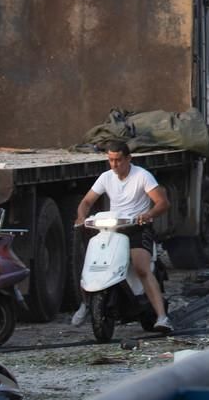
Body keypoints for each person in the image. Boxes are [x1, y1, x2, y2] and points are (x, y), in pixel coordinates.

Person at [73, 141, 172, 332]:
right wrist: (81, 216)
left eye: (118, 160)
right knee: (92, 261)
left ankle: (162, 317)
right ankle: (85, 304)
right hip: (113, 228)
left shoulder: (142, 176)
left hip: (137, 228)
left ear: (128, 159)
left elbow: (162, 202)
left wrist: (148, 215)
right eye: (111, 160)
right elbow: (87, 201)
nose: (114, 164)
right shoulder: (106, 177)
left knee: (141, 267)